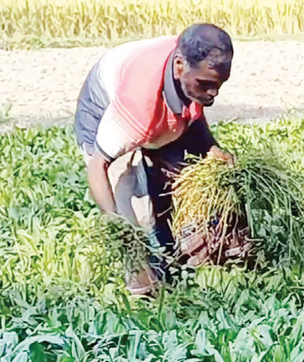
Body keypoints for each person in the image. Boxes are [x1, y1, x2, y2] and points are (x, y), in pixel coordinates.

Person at [74, 23, 235, 295]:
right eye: (206, 85)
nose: (214, 93)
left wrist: (211, 147)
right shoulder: (136, 110)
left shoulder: (193, 70)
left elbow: (194, 113)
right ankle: (145, 292)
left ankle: (176, 258)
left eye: (219, 85)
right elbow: (98, 165)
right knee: (134, 210)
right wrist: (115, 220)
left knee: (175, 179)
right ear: (180, 65)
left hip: (154, 99)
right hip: (103, 106)